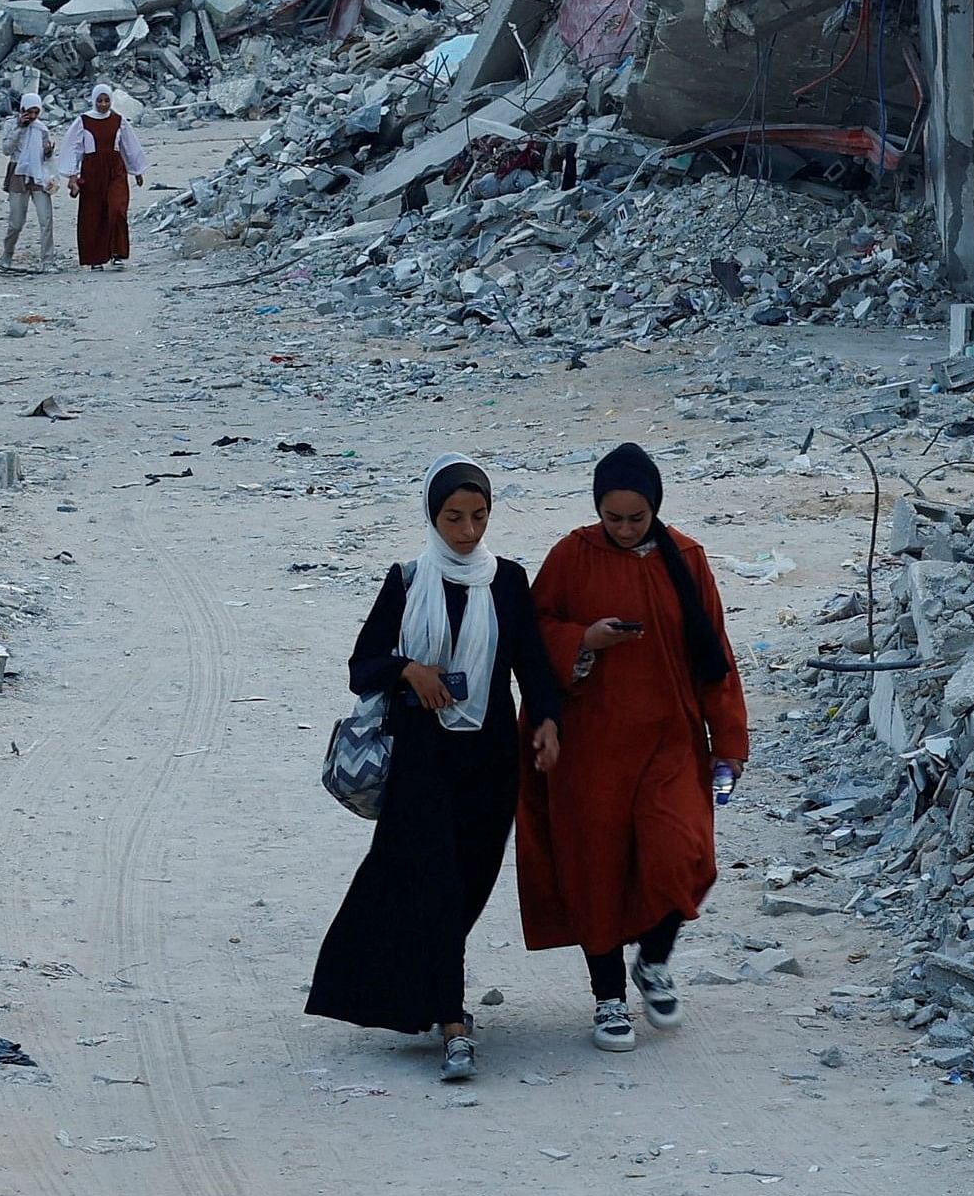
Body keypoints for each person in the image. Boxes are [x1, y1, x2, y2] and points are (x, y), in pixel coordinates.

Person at [309, 460, 564, 1082]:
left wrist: (549, 723)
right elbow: (361, 666)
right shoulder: (407, 580)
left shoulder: (507, 582)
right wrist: (408, 670)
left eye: (478, 517)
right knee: (434, 881)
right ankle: (453, 1020)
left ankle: (427, 991)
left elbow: (531, 665)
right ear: (431, 515)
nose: (467, 531)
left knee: (469, 883)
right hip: (421, 760)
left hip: (490, 759)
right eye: (454, 517)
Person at [516, 443, 750, 1053]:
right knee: (596, 868)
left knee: (683, 852)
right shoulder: (572, 555)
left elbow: (715, 655)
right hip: (590, 745)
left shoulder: (688, 559)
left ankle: (653, 959)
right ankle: (608, 999)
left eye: (635, 519)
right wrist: (583, 640)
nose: (623, 529)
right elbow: (531, 632)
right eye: (612, 518)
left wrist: (728, 740)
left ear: (655, 509)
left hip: (670, 739)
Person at [61, 85, 147, 271]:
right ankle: (96, 257)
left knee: (117, 209)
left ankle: (117, 253)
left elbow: (129, 145)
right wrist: (72, 175)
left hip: (116, 170)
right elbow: (73, 148)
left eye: (106, 100)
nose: (103, 104)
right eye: (99, 100)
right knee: (94, 213)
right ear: (93, 100)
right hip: (92, 172)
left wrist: (137, 169)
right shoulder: (83, 121)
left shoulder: (118, 120)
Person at [0, 92, 63, 269]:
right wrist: (19, 127)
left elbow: (46, 156)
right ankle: (7, 254)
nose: (33, 116)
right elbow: (6, 149)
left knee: (46, 219)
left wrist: (48, 152)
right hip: (18, 173)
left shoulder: (41, 129)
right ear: (22, 109)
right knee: (16, 222)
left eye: (36, 112)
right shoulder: (11, 124)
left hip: (38, 174)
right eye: (29, 112)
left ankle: (48, 260)